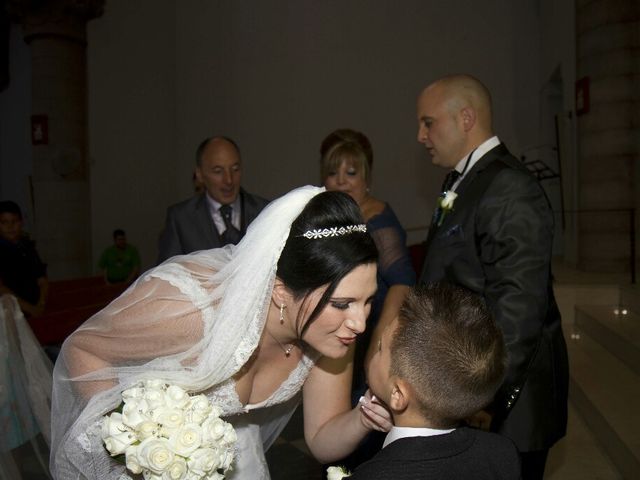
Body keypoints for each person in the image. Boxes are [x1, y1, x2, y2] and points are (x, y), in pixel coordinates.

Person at [51, 186, 393, 479]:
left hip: (240, 463)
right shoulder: (191, 312)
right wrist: (134, 446)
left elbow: (320, 439)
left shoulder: (331, 333)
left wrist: (364, 416)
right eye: (343, 303)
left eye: (368, 301)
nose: (360, 324)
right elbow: (83, 349)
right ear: (280, 291)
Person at [414, 74, 568, 479]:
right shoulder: (465, 179)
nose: (420, 135)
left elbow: (518, 309)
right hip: (470, 381)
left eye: (428, 122)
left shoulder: (510, 187)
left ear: (466, 118)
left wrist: (484, 397)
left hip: (508, 408)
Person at [350, 283, 520, 479]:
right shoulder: (502, 453)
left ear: (397, 394)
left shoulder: (370, 475)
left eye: (380, 347)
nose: (376, 347)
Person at [319, 129, 415, 468]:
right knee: (333, 419)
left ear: (367, 178)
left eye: (351, 173)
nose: (342, 181)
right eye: (333, 173)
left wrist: (377, 344)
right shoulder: (335, 220)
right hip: (339, 336)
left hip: (370, 333)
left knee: (366, 424)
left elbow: (403, 283)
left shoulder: (379, 220)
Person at [157, 136, 269, 263]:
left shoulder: (266, 211)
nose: (229, 180)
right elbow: (165, 275)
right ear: (200, 174)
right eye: (218, 171)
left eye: (235, 169)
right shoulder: (181, 218)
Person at [0, 200, 48, 318]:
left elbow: (42, 280)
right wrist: (29, 308)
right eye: (4, 222)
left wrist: (41, 304)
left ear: (21, 222)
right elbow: (1, 288)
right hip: (8, 313)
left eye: (14, 221)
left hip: (35, 307)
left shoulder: (27, 247)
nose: (10, 226)